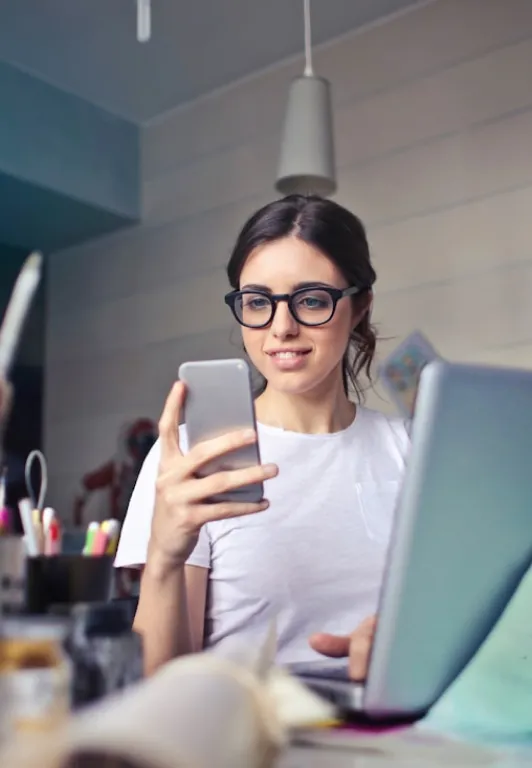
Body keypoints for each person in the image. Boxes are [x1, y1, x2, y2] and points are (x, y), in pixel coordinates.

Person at [115, 194, 409, 677]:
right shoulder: (193, 458)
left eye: (311, 299)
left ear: (359, 307)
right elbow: (161, 681)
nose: (282, 327)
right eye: (258, 302)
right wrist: (165, 555)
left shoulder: (412, 450)